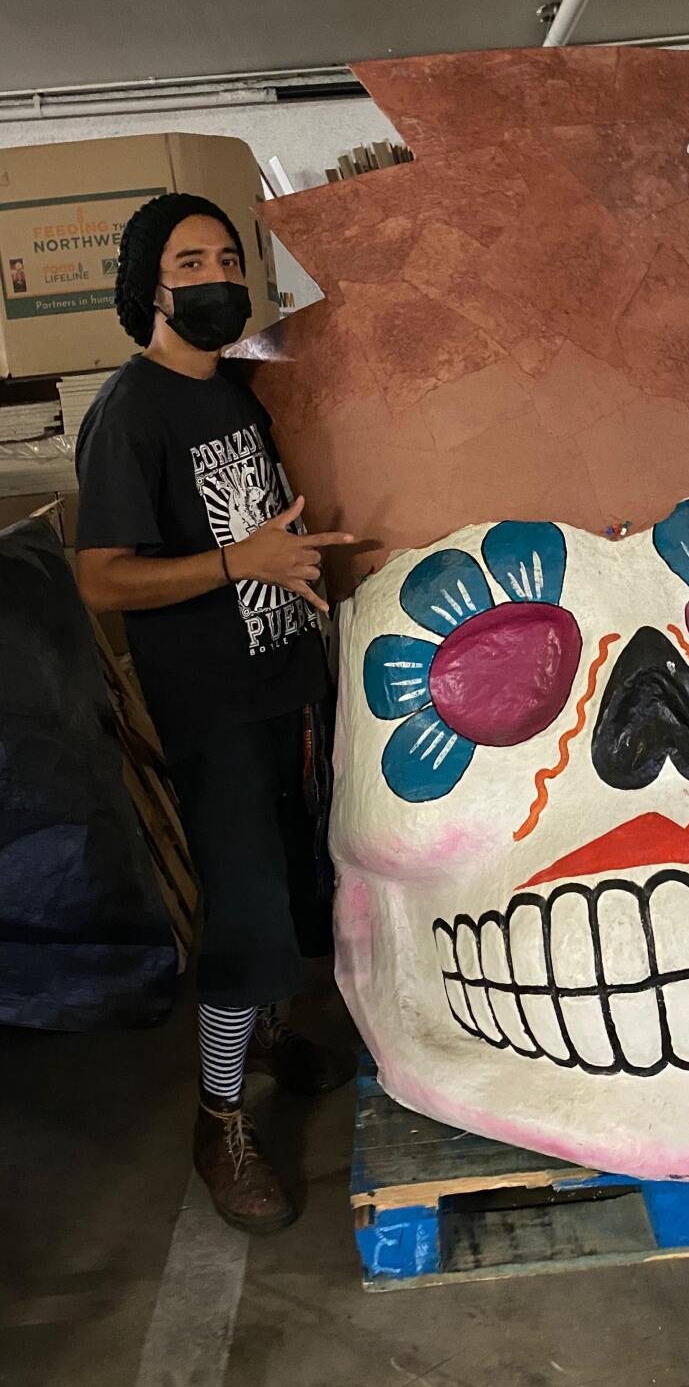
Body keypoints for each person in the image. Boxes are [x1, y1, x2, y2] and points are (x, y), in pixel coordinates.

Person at [75, 193, 357, 1232]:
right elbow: (103, 578)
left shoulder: (238, 395)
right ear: (149, 283)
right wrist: (244, 561)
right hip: (213, 705)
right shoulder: (130, 413)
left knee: (287, 879)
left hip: (284, 679)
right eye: (190, 261)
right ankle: (220, 1115)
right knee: (240, 905)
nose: (216, 276)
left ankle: (275, 1033)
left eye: (229, 258)